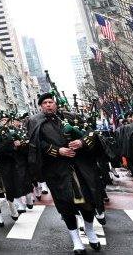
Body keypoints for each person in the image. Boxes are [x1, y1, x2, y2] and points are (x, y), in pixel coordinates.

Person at [28, 92, 102, 255]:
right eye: (45, 102)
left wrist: (81, 142)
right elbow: (36, 144)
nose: (48, 105)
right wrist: (57, 151)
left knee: (88, 202)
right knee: (66, 205)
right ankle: (76, 241)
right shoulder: (34, 121)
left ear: (56, 104)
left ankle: (90, 232)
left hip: (79, 167)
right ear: (41, 106)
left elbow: (91, 132)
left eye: (51, 102)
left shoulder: (71, 116)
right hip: (56, 170)